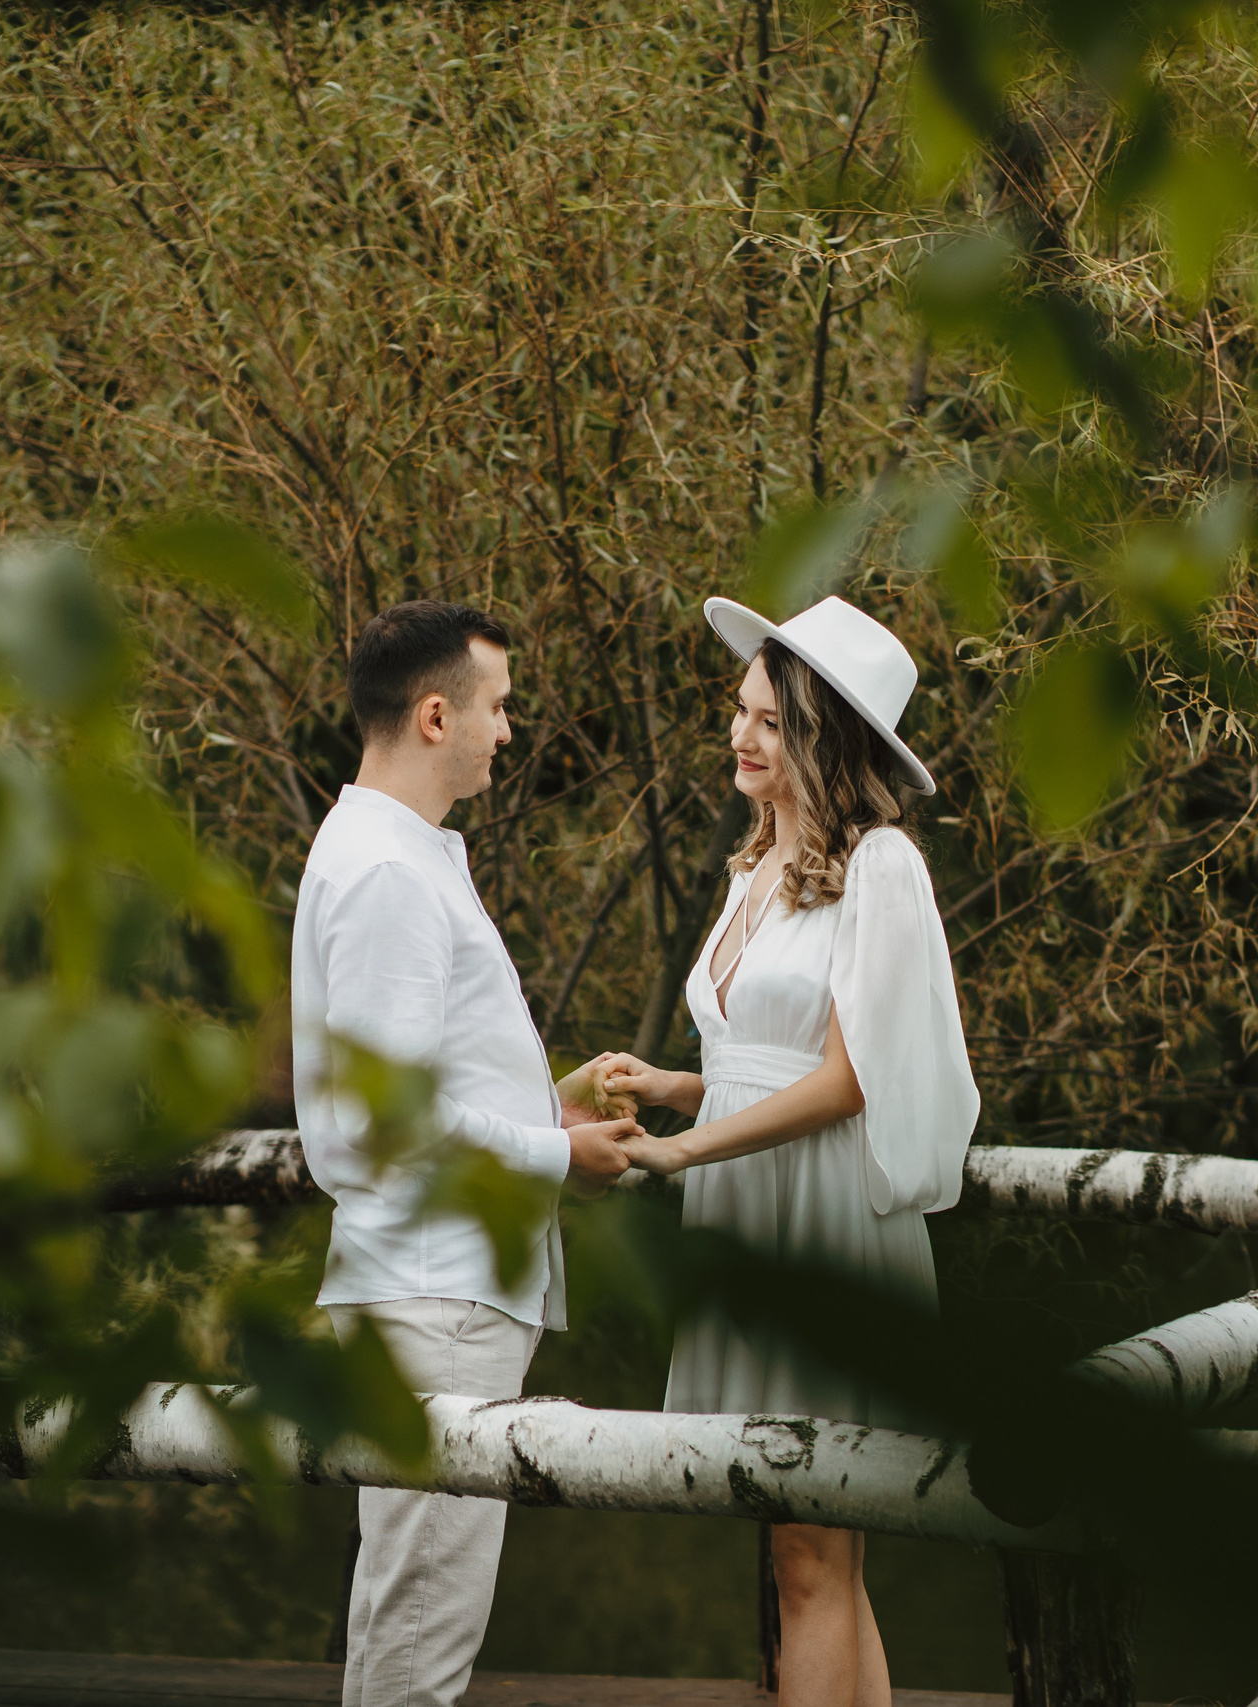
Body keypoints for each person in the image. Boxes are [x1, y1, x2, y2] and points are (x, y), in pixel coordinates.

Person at [577, 594, 979, 1707]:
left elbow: (852, 1081)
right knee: (806, 1551)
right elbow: (772, 1061)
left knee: (812, 1555)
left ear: (824, 738)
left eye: (766, 721)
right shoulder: (752, 866)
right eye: (738, 712)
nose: (740, 737)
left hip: (821, 1224)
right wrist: (674, 1087)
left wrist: (680, 1151)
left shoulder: (883, 868)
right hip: (746, 1213)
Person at [292, 600, 639, 1707]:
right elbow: (381, 1127)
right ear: (435, 714)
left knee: (420, 1612)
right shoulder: (390, 873)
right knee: (419, 1633)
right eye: (497, 705)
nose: (509, 727)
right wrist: (553, 1160)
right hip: (437, 1296)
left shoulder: (402, 853)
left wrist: (552, 1101)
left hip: (435, 1285)